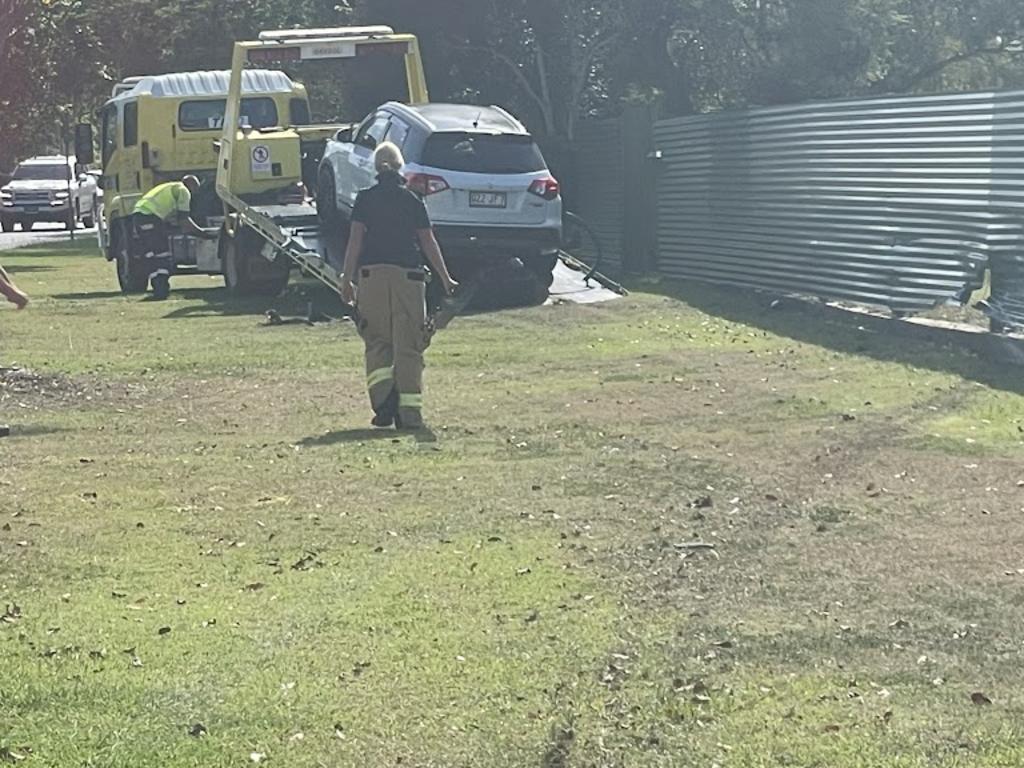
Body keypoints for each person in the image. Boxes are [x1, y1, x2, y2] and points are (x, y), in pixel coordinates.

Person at [339, 142, 457, 431]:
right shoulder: (413, 201)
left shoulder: (364, 200)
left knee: (377, 340)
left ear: (376, 168)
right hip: (408, 278)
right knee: (409, 345)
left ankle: (383, 403)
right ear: (400, 166)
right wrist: (445, 277)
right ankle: (410, 414)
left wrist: (346, 280)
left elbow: (355, 242)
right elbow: (428, 242)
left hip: (371, 278)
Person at [131, 175, 216, 299]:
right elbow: (184, 223)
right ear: (191, 185)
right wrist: (203, 233)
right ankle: (161, 290)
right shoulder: (183, 191)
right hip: (150, 217)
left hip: (138, 217)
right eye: (195, 190)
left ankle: (158, 288)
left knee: (151, 255)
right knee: (162, 255)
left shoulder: (170, 186)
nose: (194, 194)